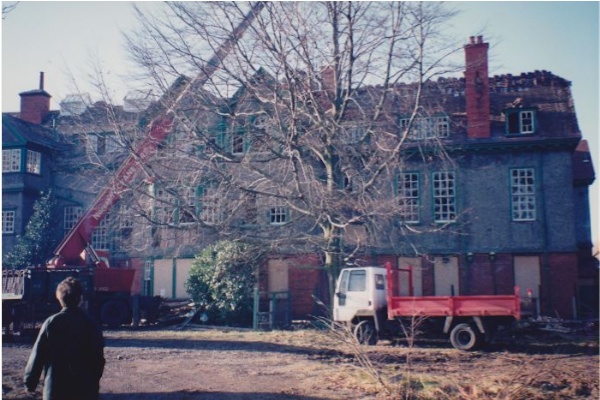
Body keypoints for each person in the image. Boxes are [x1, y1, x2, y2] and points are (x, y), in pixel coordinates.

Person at [24, 276, 105, 400]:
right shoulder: (91, 324)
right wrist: (93, 380)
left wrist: (30, 382)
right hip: (85, 390)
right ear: (81, 299)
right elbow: (98, 358)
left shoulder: (51, 323)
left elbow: (37, 355)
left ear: (59, 298)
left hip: (55, 390)